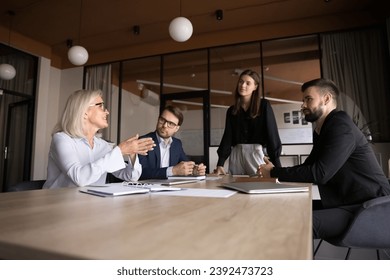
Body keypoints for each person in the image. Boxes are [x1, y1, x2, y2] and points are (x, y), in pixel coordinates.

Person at [258, 78, 390, 240]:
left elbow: (319, 173)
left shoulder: (341, 126)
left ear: (326, 99)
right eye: (303, 100)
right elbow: (309, 167)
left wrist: (273, 172)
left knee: (293, 222)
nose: (303, 105)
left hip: (372, 207)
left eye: (308, 99)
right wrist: (275, 174)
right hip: (347, 201)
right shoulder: (322, 130)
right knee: (287, 210)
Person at [43, 89, 155, 189]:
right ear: (84, 112)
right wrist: (120, 151)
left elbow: (131, 177)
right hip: (58, 205)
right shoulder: (62, 139)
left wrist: (132, 154)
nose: (107, 112)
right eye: (100, 106)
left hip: (91, 205)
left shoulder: (103, 145)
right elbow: (80, 178)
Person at [213, 69, 282, 176]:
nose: (243, 85)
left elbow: (272, 134)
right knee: (235, 185)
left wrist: (277, 166)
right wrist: (220, 163)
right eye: (241, 81)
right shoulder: (232, 110)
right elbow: (227, 137)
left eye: (248, 83)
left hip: (255, 153)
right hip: (236, 154)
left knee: (260, 185)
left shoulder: (264, 105)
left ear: (255, 86)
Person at [138, 105, 206, 180]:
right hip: (149, 187)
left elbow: (185, 164)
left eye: (170, 124)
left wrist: (194, 170)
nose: (164, 125)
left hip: (172, 187)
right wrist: (172, 171)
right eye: (162, 120)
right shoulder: (143, 141)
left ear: (176, 128)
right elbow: (141, 172)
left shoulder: (177, 144)